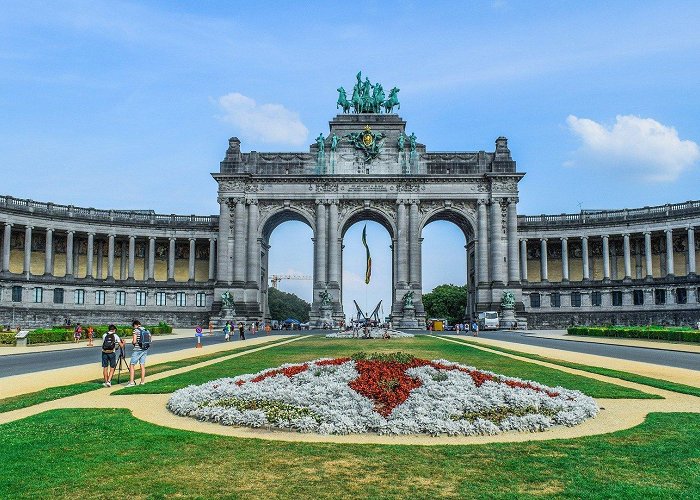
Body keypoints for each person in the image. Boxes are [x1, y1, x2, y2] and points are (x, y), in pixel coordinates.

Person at [125, 320, 150, 387]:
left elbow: (134, 341)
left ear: (135, 325)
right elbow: (150, 340)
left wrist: (132, 342)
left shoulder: (136, 330)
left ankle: (131, 382)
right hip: (145, 349)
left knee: (132, 365)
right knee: (142, 365)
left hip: (137, 350)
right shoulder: (147, 330)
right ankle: (142, 382)